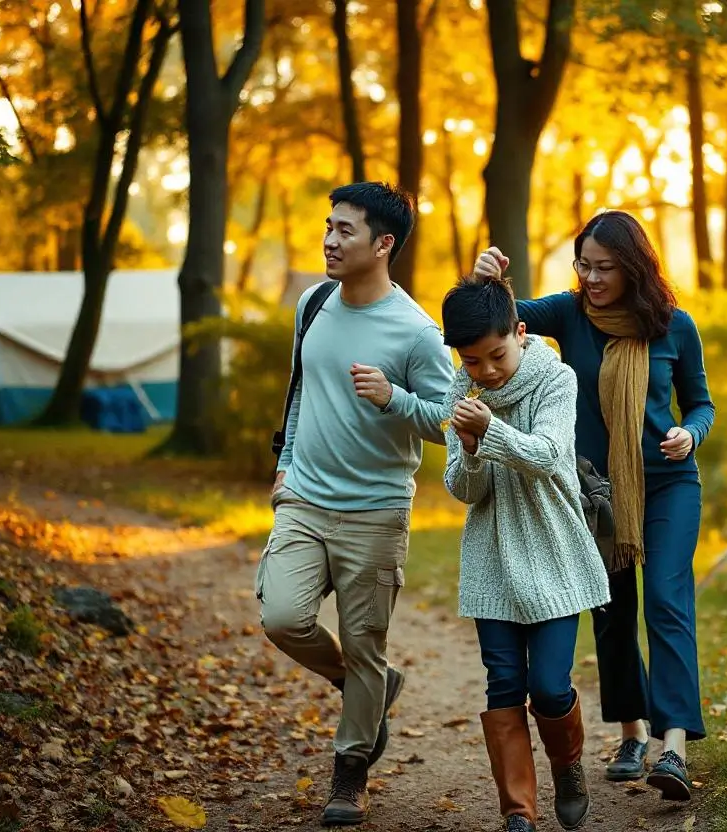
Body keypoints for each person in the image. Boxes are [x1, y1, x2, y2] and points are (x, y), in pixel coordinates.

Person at [472, 210, 715, 801]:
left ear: (633, 267)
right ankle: (632, 732)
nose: (593, 276)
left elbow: (700, 403)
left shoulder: (674, 327)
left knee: (666, 600)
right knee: (610, 611)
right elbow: (499, 325)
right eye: (584, 264)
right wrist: (485, 280)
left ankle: (673, 748)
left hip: (669, 484)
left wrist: (692, 434)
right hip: (594, 491)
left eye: (605, 267)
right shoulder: (569, 314)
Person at [258, 182, 454, 827]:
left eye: (346, 230)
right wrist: (284, 464)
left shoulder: (418, 333)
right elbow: (296, 389)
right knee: (283, 618)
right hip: (305, 500)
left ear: (383, 244)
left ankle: (350, 773)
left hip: (375, 512)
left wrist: (392, 398)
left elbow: (448, 422)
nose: (330, 239)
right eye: (328, 226)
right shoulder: (313, 304)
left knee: (366, 644)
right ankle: (361, 689)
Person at [441, 273, 610, 832]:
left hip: (554, 551)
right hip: (492, 558)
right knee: (504, 685)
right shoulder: (462, 394)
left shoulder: (555, 381)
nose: (486, 372)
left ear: (519, 331)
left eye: (496, 355)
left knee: (550, 686)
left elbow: (547, 455)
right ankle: (518, 813)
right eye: (472, 362)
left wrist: (491, 432)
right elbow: (465, 490)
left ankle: (567, 765)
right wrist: (469, 451)